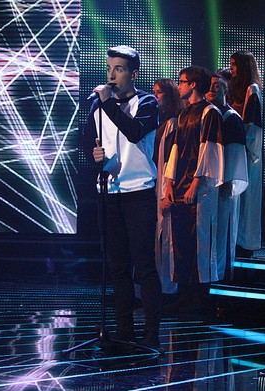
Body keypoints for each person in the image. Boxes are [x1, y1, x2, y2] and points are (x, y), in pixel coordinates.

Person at [86, 45, 162, 349]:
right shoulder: (97, 106)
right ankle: (124, 328)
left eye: (118, 69)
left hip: (139, 192)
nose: (111, 76)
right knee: (117, 266)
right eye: (109, 69)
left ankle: (151, 333)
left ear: (134, 74)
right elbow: (88, 144)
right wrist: (95, 156)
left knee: (144, 266)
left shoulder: (147, 102)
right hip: (109, 191)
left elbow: (134, 131)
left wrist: (108, 103)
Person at [164, 66, 224, 318]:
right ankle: (184, 296)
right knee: (181, 242)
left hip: (199, 190)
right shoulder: (183, 114)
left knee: (199, 242)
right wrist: (169, 182)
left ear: (194, 84)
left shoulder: (210, 113)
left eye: (182, 81)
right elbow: (176, 149)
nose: (179, 86)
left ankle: (199, 300)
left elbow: (209, 149)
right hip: (180, 186)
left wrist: (196, 183)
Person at [205, 73, 248, 280]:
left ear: (225, 90)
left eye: (217, 86)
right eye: (210, 85)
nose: (212, 89)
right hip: (210, 184)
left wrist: (228, 182)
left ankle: (222, 275)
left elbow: (236, 154)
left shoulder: (230, 118)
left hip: (225, 184)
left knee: (224, 228)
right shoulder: (208, 114)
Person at [228, 50, 263, 257]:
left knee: (247, 198)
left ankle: (246, 242)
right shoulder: (236, 90)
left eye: (234, 64)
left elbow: (253, 126)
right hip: (236, 152)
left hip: (248, 153)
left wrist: (244, 144)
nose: (231, 68)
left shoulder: (252, 90)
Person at [152, 78, 184, 298]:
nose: (155, 96)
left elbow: (169, 161)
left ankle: (167, 289)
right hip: (155, 186)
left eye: (159, 92)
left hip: (164, 187)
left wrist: (165, 190)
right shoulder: (161, 122)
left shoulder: (172, 123)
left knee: (166, 239)